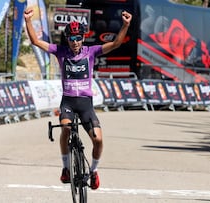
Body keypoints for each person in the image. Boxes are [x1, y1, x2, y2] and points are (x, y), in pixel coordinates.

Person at [24, 8, 132, 190]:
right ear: (67, 39)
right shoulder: (60, 51)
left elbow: (115, 44)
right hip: (68, 103)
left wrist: (126, 25)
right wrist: (28, 20)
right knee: (66, 129)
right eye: (72, 38)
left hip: (85, 105)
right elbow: (35, 41)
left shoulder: (91, 51)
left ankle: (94, 171)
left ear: (83, 38)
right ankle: (66, 168)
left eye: (78, 38)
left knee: (98, 140)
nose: (75, 42)